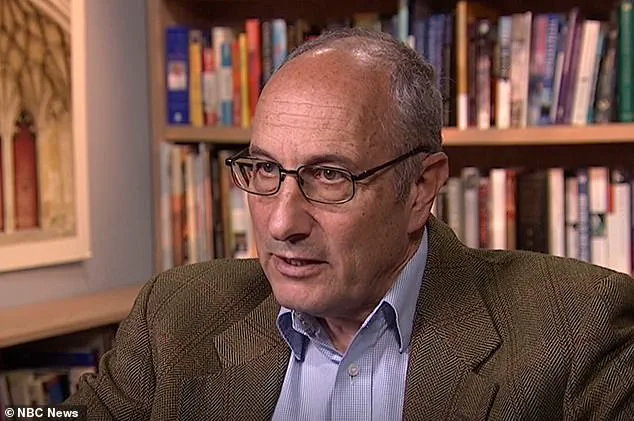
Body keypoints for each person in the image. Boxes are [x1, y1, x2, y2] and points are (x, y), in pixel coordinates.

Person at [62, 28, 634, 420]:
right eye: (265, 169)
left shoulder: (577, 327)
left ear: (421, 187)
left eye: (330, 176)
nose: (281, 222)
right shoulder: (177, 313)